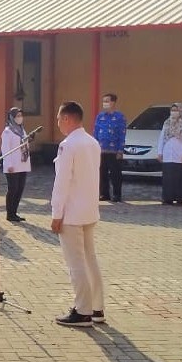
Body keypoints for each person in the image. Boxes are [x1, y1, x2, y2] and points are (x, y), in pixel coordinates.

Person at [50, 101, 105, 327]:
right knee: (90, 260)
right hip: (89, 209)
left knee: (76, 263)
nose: (58, 123)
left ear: (67, 118)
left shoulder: (68, 145)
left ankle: (83, 311)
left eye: (59, 118)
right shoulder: (92, 142)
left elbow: (61, 182)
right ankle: (97, 308)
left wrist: (56, 213)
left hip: (71, 212)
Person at [92, 94, 127, 202]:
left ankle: (117, 195)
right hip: (101, 150)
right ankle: (104, 194)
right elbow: (96, 132)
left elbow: (122, 134)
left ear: (113, 102)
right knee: (102, 173)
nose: (105, 103)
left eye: (107, 101)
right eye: (104, 101)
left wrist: (120, 150)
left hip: (114, 151)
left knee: (115, 174)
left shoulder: (119, 117)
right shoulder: (100, 116)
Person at [157, 103, 182, 205]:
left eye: (176, 110)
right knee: (168, 178)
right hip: (167, 154)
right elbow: (161, 138)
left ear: (181, 111)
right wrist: (159, 152)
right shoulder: (167, 122)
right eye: (172, 110)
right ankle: (167, 198)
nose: (174, 112)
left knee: (180, 177)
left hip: (180, 154)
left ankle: (179, 198)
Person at [1, 107, 31, 222]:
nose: (20, 118)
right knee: (13, 189)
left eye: (21, 115)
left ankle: (14, 212)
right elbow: (5, 149)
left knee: (20, 189)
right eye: (17, 116)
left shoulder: (22, 130)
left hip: (22, 164)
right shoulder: (7, 132)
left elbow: (24, 145)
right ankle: (10, 213)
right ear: (12, 117)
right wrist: (8, 164)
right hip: (12, 165)